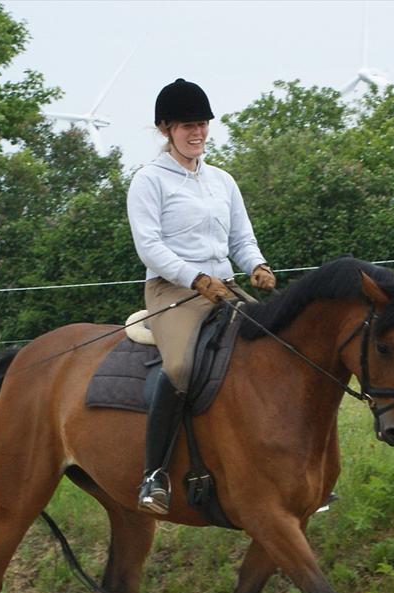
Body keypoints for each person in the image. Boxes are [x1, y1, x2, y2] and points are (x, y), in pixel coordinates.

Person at [126, 78, 276, 515]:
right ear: (165, 129)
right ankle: (153, 475)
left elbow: (241, 239)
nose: (198, 133)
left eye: (203, 125)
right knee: (181, 365)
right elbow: (149, 246)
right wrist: (195, 280)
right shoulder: (148, 181)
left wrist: (257, 266)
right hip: (173, 290)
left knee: (273, 351)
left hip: (223, 288)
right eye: (189, 126)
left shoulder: (222, 181)